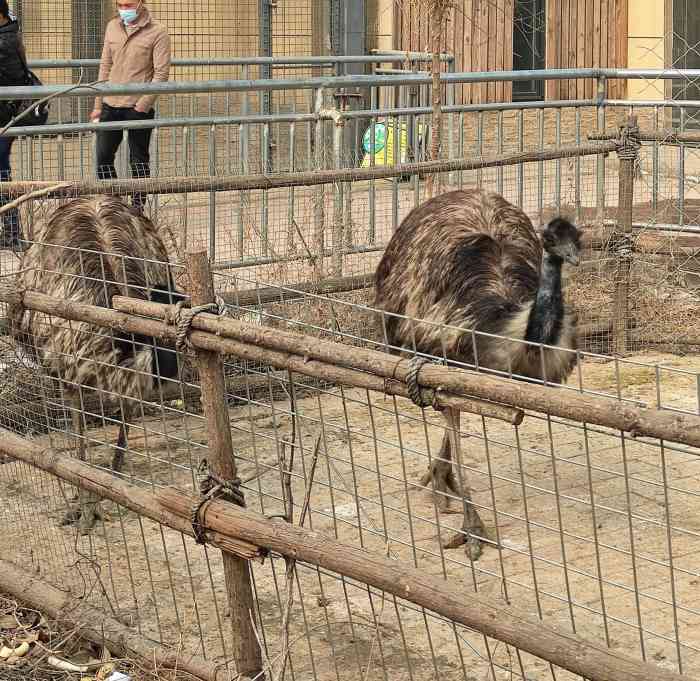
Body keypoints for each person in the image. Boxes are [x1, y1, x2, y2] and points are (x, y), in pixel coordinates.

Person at [91, 0, 170, 211]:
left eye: (129, 4)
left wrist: (142, 105)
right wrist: (98, 104)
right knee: (103, 158)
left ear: (141, 3)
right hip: (110, 103)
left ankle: (137, 210)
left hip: (137, 107)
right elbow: (105, 66)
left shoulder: (158, 31)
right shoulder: (112, 27)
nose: (124, 9)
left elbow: (161, 74)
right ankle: (114, 207)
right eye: (120, 4)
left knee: (139, 161)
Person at [0, 0, 28, 251]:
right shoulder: (9, 34)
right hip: (5, 118)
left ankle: (12, 232)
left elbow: (10, 80)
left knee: (1, 174)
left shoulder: (5, 42)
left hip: (3, 120)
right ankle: (11, 231)